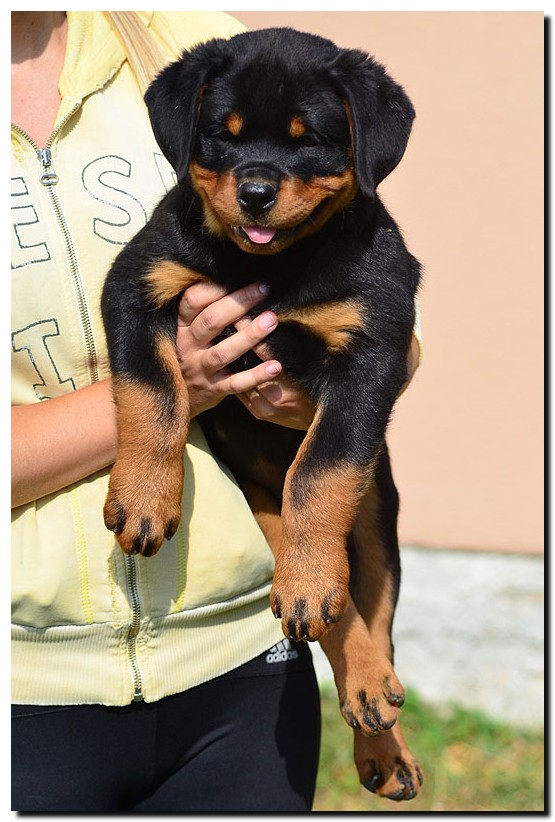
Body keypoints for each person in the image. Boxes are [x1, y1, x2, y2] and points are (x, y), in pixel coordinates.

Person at [11, 10, 422, 813]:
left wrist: (328, 403)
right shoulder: (187, 212)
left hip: (243, 658)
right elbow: (136, 298)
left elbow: (390, 356)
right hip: (27, 684)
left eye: (304, 147)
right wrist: (161, 427)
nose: (257, 181)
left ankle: (366, 672)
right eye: (227, 146)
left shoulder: (178, 31)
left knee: (356, 503)